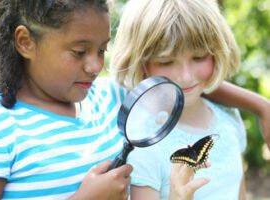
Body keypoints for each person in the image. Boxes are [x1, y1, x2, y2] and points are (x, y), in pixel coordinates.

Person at [109, 0, 270, 199]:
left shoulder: (227, 116)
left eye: (199, 57)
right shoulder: (145, 143)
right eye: (166, 62)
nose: (185, 76)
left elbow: (239, 193)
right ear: (142, 64)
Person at [0, 1, 135, 199]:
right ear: (25, 42)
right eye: (79, 52)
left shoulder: (112, 98)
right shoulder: (1, 127)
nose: (95, 66)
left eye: (102, 50)